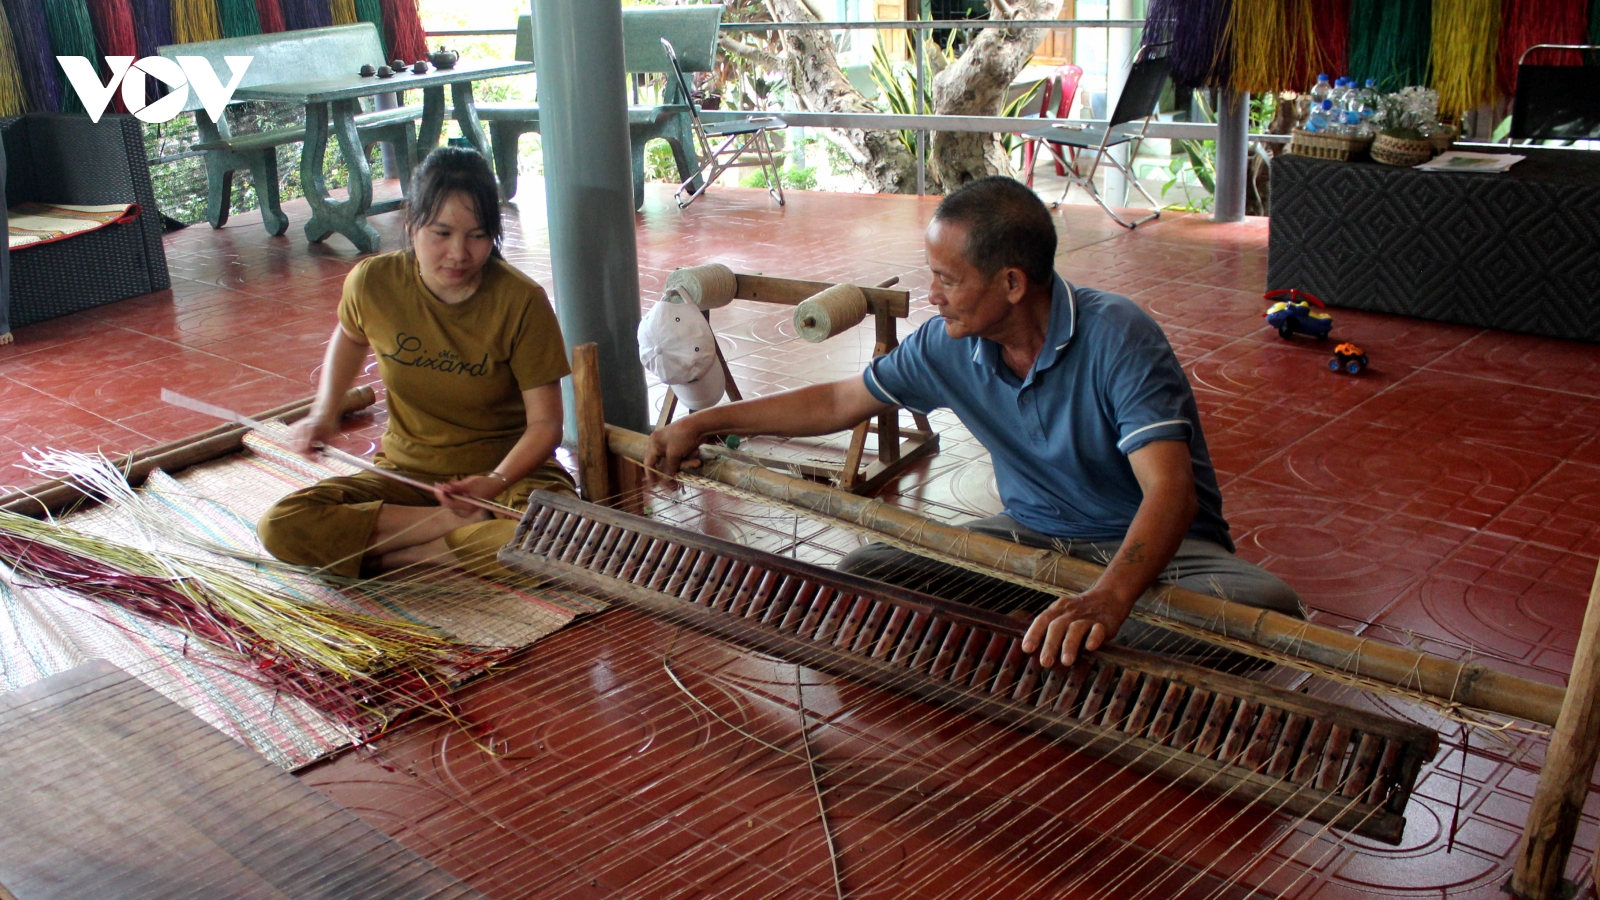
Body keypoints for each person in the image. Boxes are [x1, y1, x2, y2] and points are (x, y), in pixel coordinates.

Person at [647, 176, 1303, 669]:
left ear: (1012, 284)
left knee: (1264, 608)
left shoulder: (1118, 337)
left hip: (1157, 554)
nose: (932, 296)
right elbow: (837, 402)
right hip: (1027, 540)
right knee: (868, 574)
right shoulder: (949, 344)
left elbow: (1171, 494)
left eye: (948, 280)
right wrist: (706, 423)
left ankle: (1068, 634)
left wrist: (1110, 597)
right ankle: (1070, 644)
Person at [257, 147, 574, 579]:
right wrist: (323, 413)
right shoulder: (374, 282)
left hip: (509, 478)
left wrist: (494, 482)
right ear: (412, 224)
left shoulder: (521, 302)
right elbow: (350, 336)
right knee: (281, 525)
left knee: (555, 536)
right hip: (407, 475)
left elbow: (546, 426)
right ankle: (451, 532)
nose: (459, 253)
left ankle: (396, 558)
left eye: (477, 235)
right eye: (441, 233)